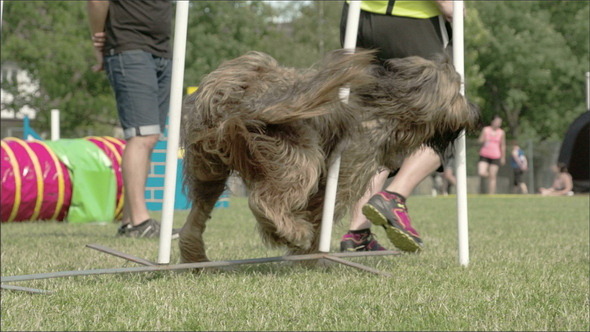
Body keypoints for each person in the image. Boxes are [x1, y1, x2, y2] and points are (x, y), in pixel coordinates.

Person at [339, 0, 456, 253]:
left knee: (377, 126)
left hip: (358, 17)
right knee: (449, 117)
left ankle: (358, 233)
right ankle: (394, 197)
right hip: (412, 18)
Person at [87, 0, 176, 238]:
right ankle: (139, 222)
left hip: (163, 51)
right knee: (141, 136)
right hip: (129, 47)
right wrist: (98, 40)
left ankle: (129, 222)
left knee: (151, 136)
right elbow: (96, 1)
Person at [477, 115, 505, 194]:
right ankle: (490, 176)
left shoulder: (501, 132)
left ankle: (491, 195)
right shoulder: (486, 130)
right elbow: (479, 141)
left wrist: (503, 157)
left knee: (493, 177)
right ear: (492, 122)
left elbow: (502, 145)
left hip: (496, 156)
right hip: (484, 154)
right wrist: (484, 139)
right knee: (481, 172)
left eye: (499, 122)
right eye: (496, 122)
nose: (498, 123)